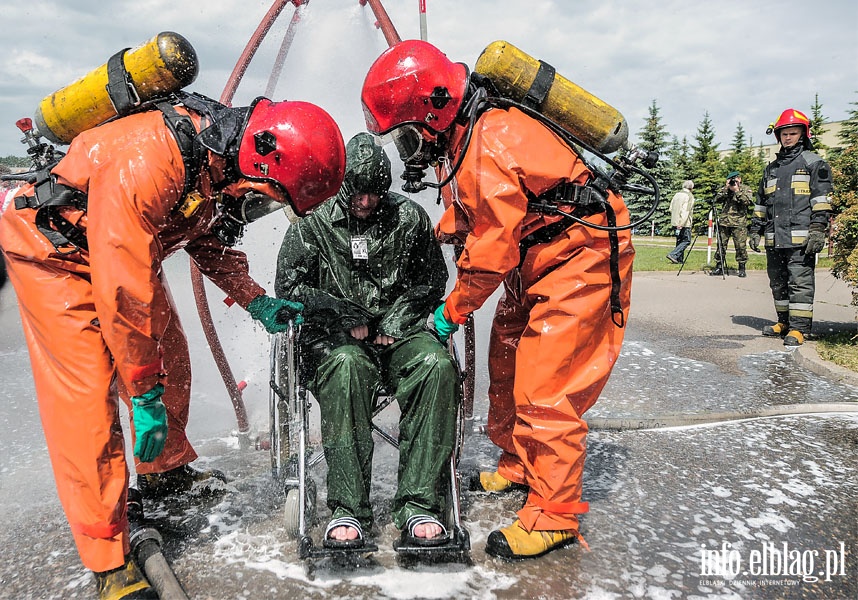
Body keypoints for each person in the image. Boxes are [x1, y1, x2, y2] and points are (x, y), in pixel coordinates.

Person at [0, 95, 345, 598]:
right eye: (266, 198)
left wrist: (255, 300)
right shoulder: (151, 158)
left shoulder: (213, 160)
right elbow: (121, 292)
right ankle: (109, 561)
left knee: (172, 357)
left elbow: (204, 237)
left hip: (119, 254)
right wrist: (141, 394)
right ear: (259, 155)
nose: (259, 208)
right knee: (88, 405)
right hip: (55, 254)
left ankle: (165, 474)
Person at [361, 40, 634, 560]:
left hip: (580, 253)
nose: (408, 146)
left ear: (432, 110)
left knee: (546, 380)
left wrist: (450, 311)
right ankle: (518, 463)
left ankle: (555, 513)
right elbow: (474, 205)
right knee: (505, 359)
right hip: (535, 255)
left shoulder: (492, 135)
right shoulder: (466, 136)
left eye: (408, 133)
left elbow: (490, 247)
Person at [274, 132, 458, 549]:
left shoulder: (408, 218)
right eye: (358, 193)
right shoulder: (312, 223)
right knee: (347, 367)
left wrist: (395, 320)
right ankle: (348, 510)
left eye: (375, 193)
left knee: (437, 366)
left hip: (398, 337)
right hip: (337, 346)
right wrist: (342, 315)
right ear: (342, 186)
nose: (367, 203)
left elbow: (432, 281)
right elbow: (289, 290)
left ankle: (418, 503)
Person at [750, 108, 832, 346]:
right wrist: (756, 229)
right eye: (784, 133)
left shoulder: (814, 164)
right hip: (775, 238)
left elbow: (822, 200)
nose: (787, 137)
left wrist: (818, 229)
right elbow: (761, 202)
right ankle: (783, 322)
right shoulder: (771, 169)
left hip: (801, 238)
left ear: (803, 134)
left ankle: (799, 329)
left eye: (793, 133)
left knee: (800, 282)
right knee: (778, 282)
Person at [710, 170, 754, 277]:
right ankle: (719, 266)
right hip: (724, 222)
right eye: (731, 180)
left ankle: (742, 268)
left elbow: (747, 202)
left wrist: (737, 191)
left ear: (739, 179)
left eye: (735, 179)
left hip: (738, 223)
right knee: (721, 245)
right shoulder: (725, 189)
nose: (733, 182)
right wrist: (726, 189)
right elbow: (716, 200)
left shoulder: (745, 189)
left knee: (740, 246)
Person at [666, 180, 695, 264]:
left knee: (679, 240)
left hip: (674, 221)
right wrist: (681, 223)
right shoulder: (689, 196)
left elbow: (671, 208)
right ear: (691, 188)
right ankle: (673, 254)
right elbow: (685, 211)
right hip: (684, 223)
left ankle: (679, 260)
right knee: (687, 240)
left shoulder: (676, 194)